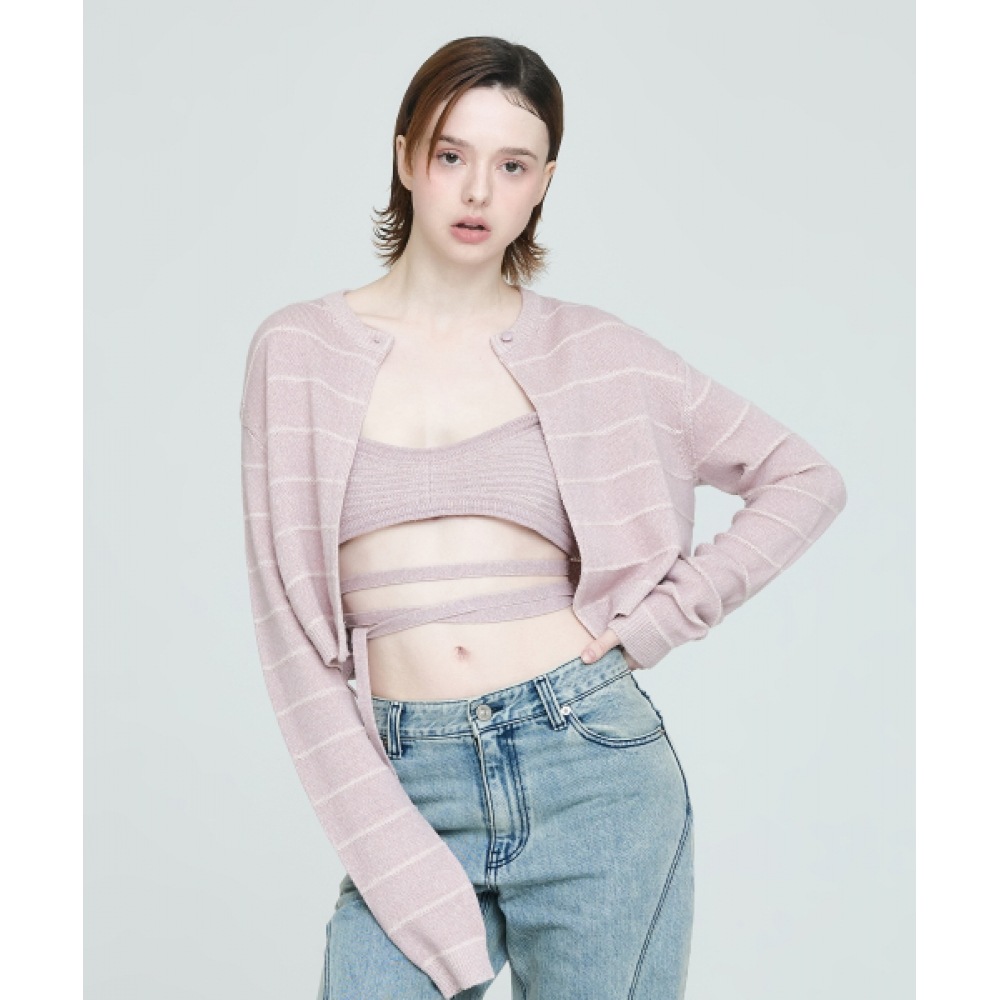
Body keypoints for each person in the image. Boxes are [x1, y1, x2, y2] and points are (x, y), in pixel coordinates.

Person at [238, 35, 848, 1000]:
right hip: (408, 774)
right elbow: (290, 634)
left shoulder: (598, 353)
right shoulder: (298, 351)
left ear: (543, 184)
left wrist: (654, 624)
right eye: (452, 154)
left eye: (513, 165)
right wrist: (381, 822)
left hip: (592, 767)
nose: (478, 190)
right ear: (406, 158)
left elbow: (804, 478)